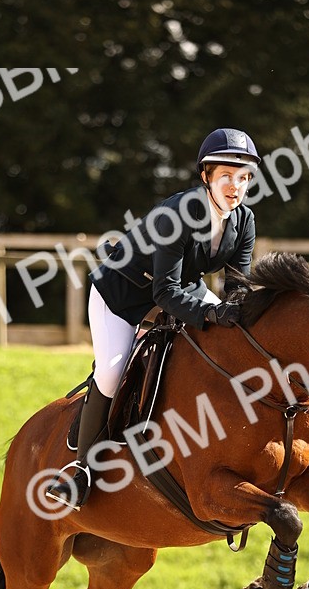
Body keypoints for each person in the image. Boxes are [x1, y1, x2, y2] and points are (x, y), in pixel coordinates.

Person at [46, 127, 260, 510]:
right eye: (226, 175)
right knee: (112, 372)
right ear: (206, 176)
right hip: (123, 294)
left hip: (180, 287)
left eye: (243, 177)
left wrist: (238, 314)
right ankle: (80, 473)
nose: (236, 186)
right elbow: (163, 293)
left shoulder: (244, 222)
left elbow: (237, 287)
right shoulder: (177, 214)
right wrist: (211, 312)